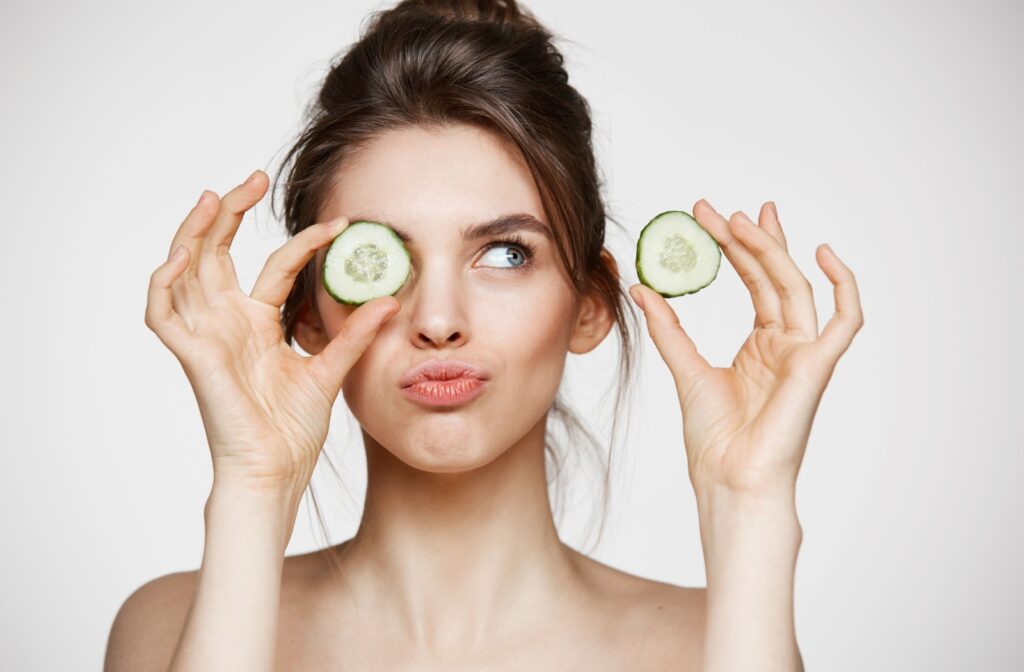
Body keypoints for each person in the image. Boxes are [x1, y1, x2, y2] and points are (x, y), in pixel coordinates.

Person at [105, 1, 863, 669]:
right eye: (381, 259)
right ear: (308, 312)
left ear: (590, 304)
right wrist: (253, 488)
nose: (439, 321)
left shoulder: (709, 647)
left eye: (506, 254)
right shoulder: (169, 628)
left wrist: (749, 505)